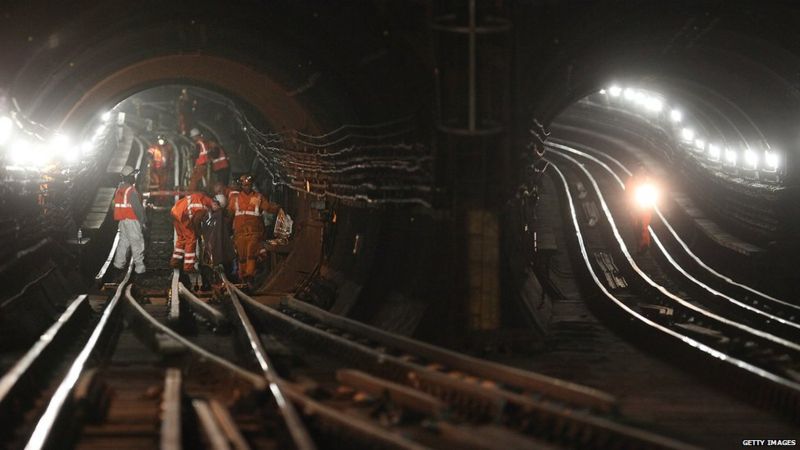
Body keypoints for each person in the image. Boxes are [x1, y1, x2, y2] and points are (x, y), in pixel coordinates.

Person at [227, 175, 281, 287]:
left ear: (251, 185)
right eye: (245, 185)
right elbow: (229, 214)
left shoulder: (258, 197)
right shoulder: (235, 199)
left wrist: (278, 208)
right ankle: (242, 278)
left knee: (251, 254)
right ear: (241, 186)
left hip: (254, 232)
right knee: (242, 256)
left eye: (248, 185)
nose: (247, 187)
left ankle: (249, 277)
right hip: (240, 233)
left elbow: (268, 208)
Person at [112, 165, 147, 275]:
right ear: (129, 177)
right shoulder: (130, 190)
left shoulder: (120, 189)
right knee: (137, 243)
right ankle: (140, 269)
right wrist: (143, 221)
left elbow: (114, 206)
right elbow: (137, 208)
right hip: (132, 220)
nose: (134, 177)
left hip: (123, 221)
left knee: (123, 242)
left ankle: (118, 265)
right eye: (133, 175)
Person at [170, 191, 214, 272]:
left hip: (175, 211)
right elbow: (196, 220)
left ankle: (175, 261)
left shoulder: (201, 197)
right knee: (191, 239)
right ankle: (188, 266)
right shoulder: (204, 205)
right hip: (182, 215)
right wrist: (198, 232)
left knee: (182, 238)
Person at [626, 165, 655, 254]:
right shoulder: (631, 180)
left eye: (643, 171)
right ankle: (640, 245)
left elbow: (653, 192)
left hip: (645, 206)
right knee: (636, 226)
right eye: (640, 170)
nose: (642, 172)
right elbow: (627, 192)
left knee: (644, 226)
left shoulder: (648, 181)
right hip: (634, 206)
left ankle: (644, 244)